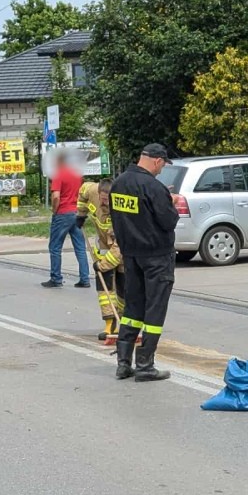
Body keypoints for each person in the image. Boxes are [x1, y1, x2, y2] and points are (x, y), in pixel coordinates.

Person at [109, 143, 180, 382]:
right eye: (162, 165)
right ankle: (145, 364)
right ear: (158, 161)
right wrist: (171, 203)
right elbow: (167, 222)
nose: (161, 170)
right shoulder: (154, 187)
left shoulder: (118, 183)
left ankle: (123, 363)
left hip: (131, 256)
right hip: (157, 256)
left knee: (132, 309)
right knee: (155, 310)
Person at [42, 151, 91, 289]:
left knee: (55, 247)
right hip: (76, 212)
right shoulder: (76, 175)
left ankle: (56, 278)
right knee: (80, 247)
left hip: (63, 213)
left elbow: (56, 196)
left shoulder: (58, 174)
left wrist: (54, 210)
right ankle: (85, 279)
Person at [90, 178, 127, 340]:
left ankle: (125, 323)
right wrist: (80, 214)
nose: (104, 203)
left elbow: (119, 248)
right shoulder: (91, 191)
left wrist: (101, 265)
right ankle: (109, 325)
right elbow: (82, 193)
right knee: (105, 292)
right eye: (102, 199)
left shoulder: (121, 213)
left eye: (107, 200)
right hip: (104, 248)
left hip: (124, 254)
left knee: (123, 290)